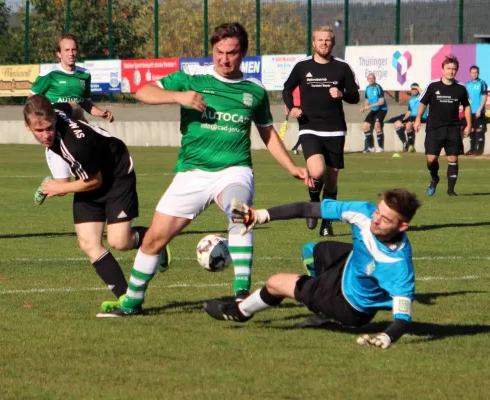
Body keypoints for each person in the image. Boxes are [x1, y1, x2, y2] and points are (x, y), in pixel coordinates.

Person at [97, 22, 312, 318]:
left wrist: (291, 167)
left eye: (232, 53)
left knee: (240, 213)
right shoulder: (192, 79)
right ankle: (132, 302)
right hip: (193, 173)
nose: (224, 59)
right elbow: (142, 92)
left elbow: (267, 132)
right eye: (219, 52)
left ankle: (240, 295)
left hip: (234, 170)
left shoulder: (254, 90)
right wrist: (179, 96)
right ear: (212, 51)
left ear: (244, 53)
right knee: (153, 240)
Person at [204, 188, 421, 350]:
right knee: (317, 250)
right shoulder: (364, 213)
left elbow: (403, 317)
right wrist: (260, 215)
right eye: (378, 212)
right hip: (350, 266)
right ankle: (320, 305)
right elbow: (307, 208)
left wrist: (386, 337)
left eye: (385, 219)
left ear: (402, 226)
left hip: (348, 304)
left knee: (275, 282)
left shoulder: (398, 266)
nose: (376, 220)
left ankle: (240, 312)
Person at [23, 95, 169, 313]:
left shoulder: (74, 146)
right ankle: (127, 300)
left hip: (116, 174)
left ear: (54, 119)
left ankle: (154, 240)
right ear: (28, 127)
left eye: (49, 129)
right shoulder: (55, 110)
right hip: (90, 173)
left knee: (119, 242)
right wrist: (86, 120)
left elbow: (94, 181)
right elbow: (73, 105)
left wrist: (59, 188)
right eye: (39, 130)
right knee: (88, 243)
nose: (46, 135)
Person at [282, 25, 360, 238]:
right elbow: (286, 89)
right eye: (320, 40)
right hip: (310, 127)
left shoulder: (342, 68)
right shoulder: (302, 66)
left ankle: (327, 222)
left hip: (335, 130)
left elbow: (355, 96)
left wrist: (342, 93)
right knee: (317, 172)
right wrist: (293, 107)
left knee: (332, 180)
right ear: (314, 43)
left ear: (332, 43)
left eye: (328, 40)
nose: (324, 43)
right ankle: (314, 202)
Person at [29, 33, 114, 183]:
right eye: (67, 50)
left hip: (79, 133)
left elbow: (86, 103)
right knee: (64, 185)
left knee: (89, 177)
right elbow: (31, 101)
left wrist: (100, 113)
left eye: (74, 50)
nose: (71, 53)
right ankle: (47, 184)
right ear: (59, 54)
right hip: (59, 135)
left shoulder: (84, 75)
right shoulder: (49, 74)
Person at [414, 55, 471, 197]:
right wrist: (418, 118)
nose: (451, 71)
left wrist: (469, 124)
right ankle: (434, 178)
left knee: (453, 158)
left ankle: (451, 191)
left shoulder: (461, 88)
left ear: (457, 70)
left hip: (453, 128)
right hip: (434, 127)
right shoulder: (433, 86)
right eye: (448, 68)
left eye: (454, 69)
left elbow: (467, 106)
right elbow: (423, 103)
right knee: (431, 159)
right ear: (443, 69)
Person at [393, 83, 427, 152]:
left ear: (418, 89)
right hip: (411, 117)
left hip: (420, 117)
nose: (414, 90)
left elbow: (424, 93)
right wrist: (404, 119)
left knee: (408, 125)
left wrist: (417, 87)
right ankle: (405, 143)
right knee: (397, 124)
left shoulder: (421, 97)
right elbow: (409, 112)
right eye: (412, 89)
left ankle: (411, 146)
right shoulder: (411, 100)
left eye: (415, 89)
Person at [360, 73, 388, 153]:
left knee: (377, 125)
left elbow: (381, 102)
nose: (371, 80)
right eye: (369, 78)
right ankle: (371, 147)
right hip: (374, 109)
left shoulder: (378, 87)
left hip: (382, 109)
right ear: (367, 79)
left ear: (375, 79)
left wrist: (370, 106)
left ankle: (380, 147)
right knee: (364, 127)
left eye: (372, 78)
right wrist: (364, 107)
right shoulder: (367, 88)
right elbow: (367, 100)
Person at [464, 66, 488, 155]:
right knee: (472, 130)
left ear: (478, 73)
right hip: (470, 112)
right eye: (472, 72)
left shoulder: (482, 83)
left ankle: (479, 150)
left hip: (479, 112)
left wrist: (479, 110)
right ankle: (472, 149)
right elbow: (466, 98)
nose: (474, 74)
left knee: (479, 130)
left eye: (476, 72)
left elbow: (484, 98)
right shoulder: (467, 84)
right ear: (470, 73)